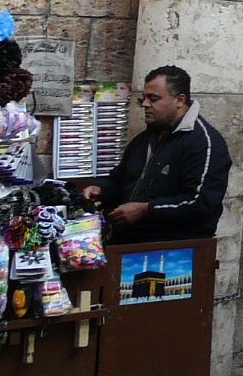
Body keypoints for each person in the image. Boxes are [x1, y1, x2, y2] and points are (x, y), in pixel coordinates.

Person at [85, 65, 231, 244]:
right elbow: (120, 178)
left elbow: (201, 203)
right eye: (143, 98)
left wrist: (146, 210)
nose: (145, 104)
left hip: (173, 249)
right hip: (126, 243)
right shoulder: (144, 139)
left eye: (153, 99)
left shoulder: (204, 143)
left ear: (179, 100)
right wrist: (99, 190)